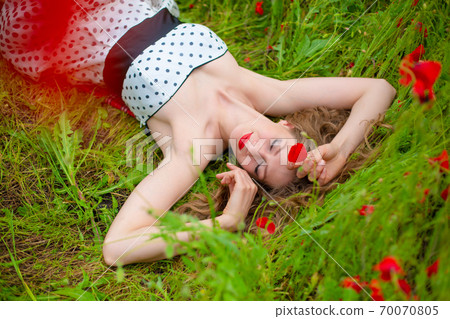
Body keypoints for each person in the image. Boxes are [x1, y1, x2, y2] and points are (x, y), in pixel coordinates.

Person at [0, 0, 397, 265]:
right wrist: (342, 150)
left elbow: (116, 248)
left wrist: (225, 222)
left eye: (256, 167)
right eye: (274, 145)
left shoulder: (194, 148)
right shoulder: (265, 91)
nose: (254, 149)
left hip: (68, 31)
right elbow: (379, 89)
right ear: (285, 125)